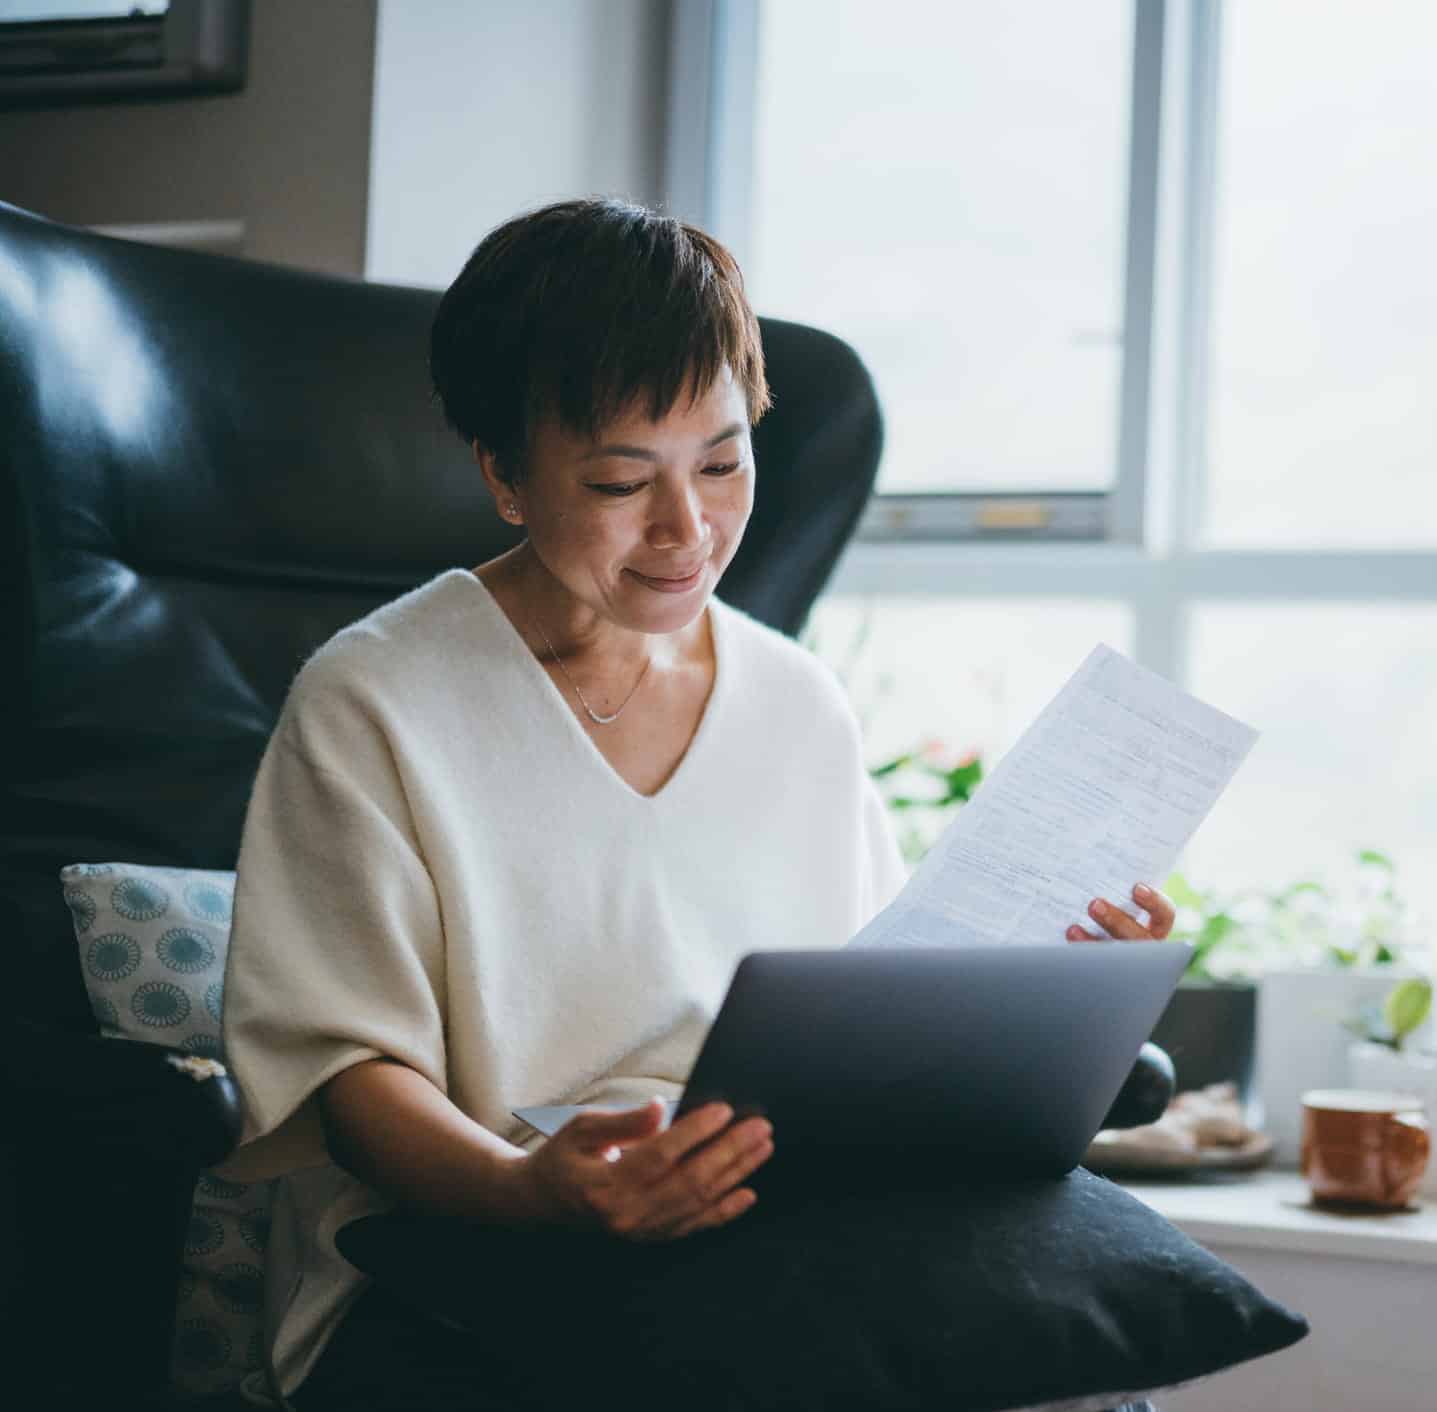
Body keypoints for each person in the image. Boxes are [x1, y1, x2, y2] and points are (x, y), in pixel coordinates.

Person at [219, 197, 1176, 1409]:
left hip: (786, 1228)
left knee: (1078, 1361)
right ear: (506, 475)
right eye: (624, 480)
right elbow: (346, 1078)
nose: (688, 529)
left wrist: (1059, 991)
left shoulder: (796, 701)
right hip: (463, 1251)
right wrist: (533, 1189)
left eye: (723, 462)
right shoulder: (374, 700)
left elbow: (876, 1029)